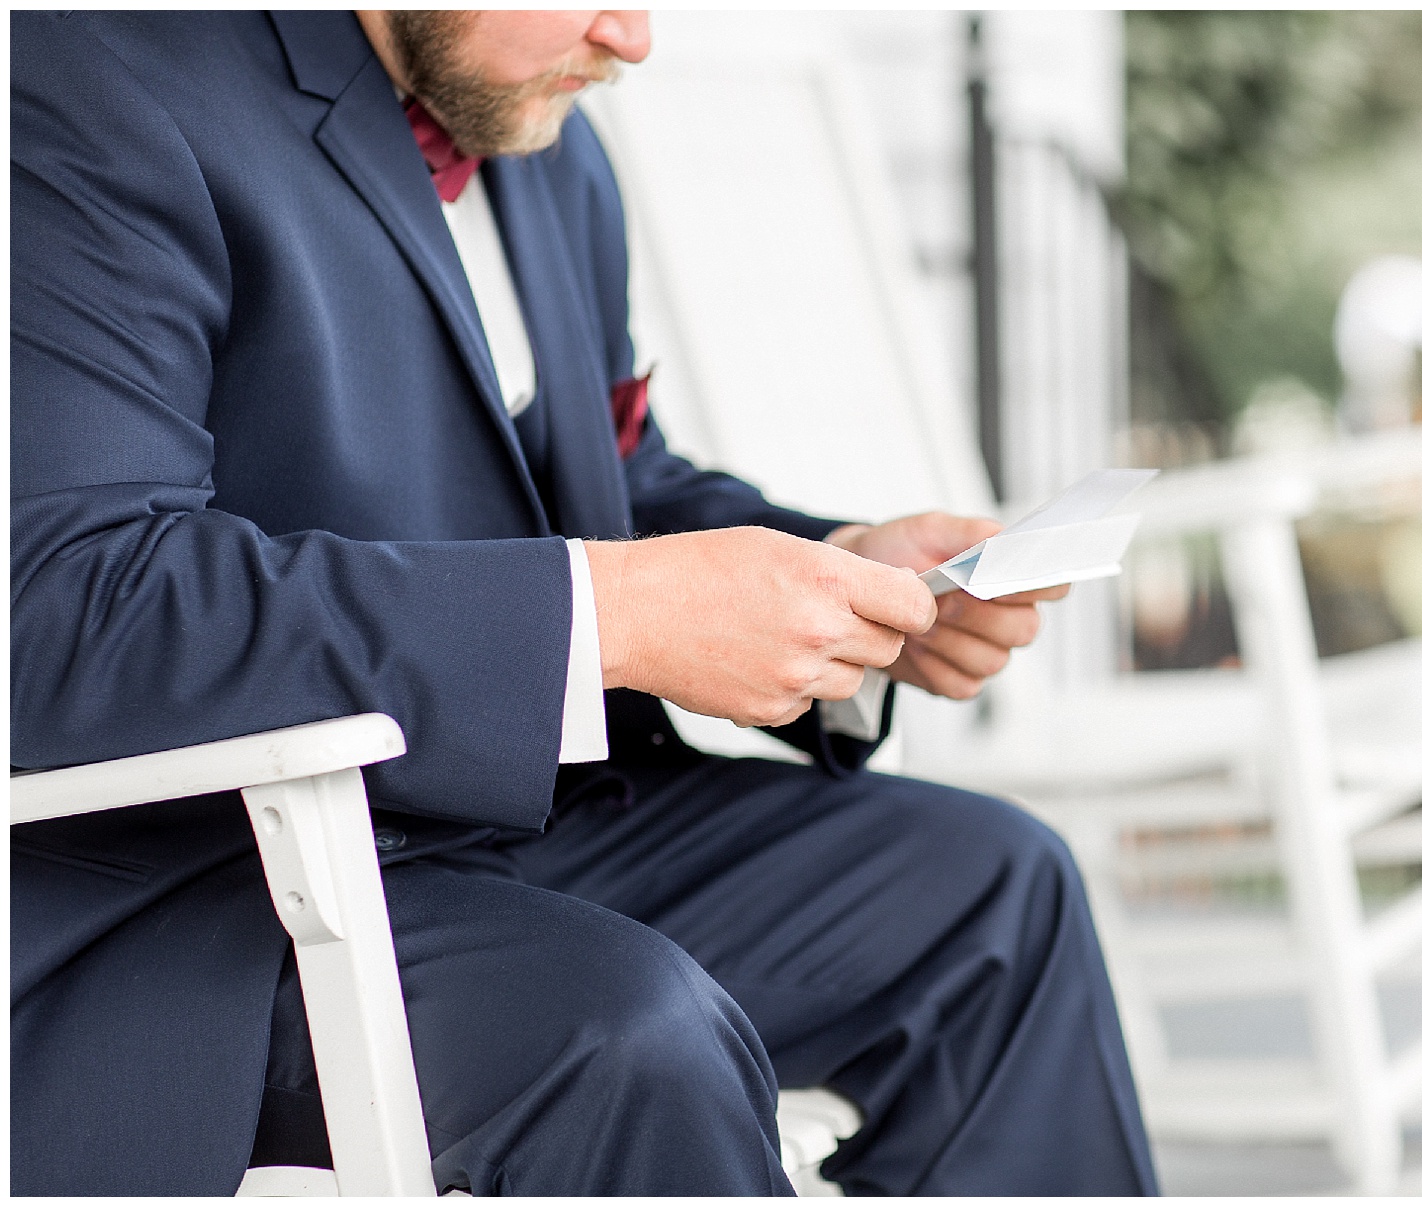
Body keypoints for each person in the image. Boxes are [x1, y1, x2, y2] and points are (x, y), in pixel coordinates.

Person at [10, 10, 1159, 1196]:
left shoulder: (543, 137)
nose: (632, 37)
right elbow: (60, 608)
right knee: (632, 1039)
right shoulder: (87, 83)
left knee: (999, 890)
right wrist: (616, 614)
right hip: (220, 896)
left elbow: (602, 485)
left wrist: (844, 568)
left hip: (530, 822)